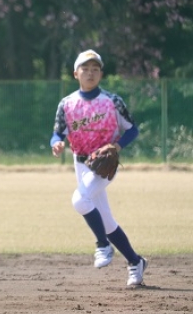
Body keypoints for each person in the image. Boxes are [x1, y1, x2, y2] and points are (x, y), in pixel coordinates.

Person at [50, 49, 147, 286]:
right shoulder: (67, 104)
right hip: (81, 163)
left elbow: (132, 129)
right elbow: (57, 133)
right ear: (76, 73)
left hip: (105, 164)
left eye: (95, 69)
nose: (90, 73)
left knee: (80, 200)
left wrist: (117, 146)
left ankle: (103, 245)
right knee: (106, 219)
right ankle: (135, 261)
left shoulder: (112, 101)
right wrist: (56, 143)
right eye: (85, 69)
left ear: (101, 74)